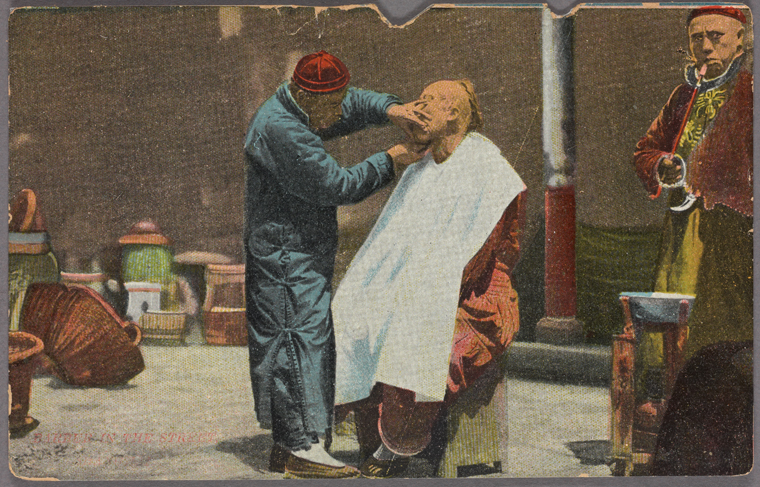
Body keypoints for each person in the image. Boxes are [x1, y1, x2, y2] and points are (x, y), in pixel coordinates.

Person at [243, 51, 426, 479]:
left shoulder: (299, 106)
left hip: (297, 250)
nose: (338, 114)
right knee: (295, 341)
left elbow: (349, 103)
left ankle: (293, 444)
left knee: (305, 339)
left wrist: (389, 108)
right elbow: (336, 185)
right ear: (305, 95)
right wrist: (391, 158)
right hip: (285, 254)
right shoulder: (282, 129)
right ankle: (302, 447)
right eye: (330, 105)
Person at [331, 79, 527, 478]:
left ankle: (397, 447)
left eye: (427, 102)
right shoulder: (422, 165)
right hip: (425, 287)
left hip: (477, 298)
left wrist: (412, 292)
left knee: (414, 325)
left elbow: (474, 259)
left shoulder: (487, 168)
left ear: (453, 112)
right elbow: (393, 244)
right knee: (352, 306)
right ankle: (374, 436)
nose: (416, 108)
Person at [633, 6, 752, 362]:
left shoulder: (750, 93)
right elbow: (645, 149)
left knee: (723, 326)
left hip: (732, 229)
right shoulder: (682, 96)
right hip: (682, 226)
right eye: (697, 38)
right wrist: (661, 166)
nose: (706, 47)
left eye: (715, 37)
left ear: (740, 40)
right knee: (673, 314)